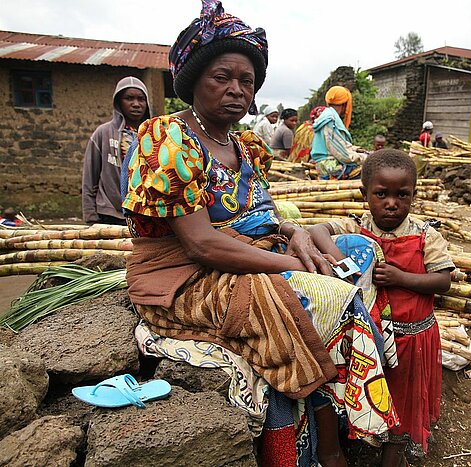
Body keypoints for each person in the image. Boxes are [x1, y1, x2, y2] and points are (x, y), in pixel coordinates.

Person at [121, 2, 397, 465]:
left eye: (246, 81)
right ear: (192, 81)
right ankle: (327, 446)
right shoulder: (167, 141)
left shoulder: (242, 146)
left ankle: (342, 416)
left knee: (358, 250)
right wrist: (292, 262)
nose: (236, 90)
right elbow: (201, 243)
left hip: (254, 250)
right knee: (323, 293)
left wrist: (297, 232)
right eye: (222, 77)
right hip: (189, 274)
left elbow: (265, 212)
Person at [309, 149, 454, 464]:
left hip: (411, 338)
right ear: (365, 194)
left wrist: (400, 277)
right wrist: (342, 259)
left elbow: (443, 281)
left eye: (402, 195)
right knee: (376, 390)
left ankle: (392, 457)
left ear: (413, 195)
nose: (392, 203)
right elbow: (317, 230)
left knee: (403, 399)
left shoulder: (424, 235)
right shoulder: (356, 226)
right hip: (371, 339)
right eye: (381, 194)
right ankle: (365, 440)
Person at [82, 76, 150, 225]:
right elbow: (89, 178)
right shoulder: (103, 133)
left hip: (143, 215)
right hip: (109, 213)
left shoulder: (151, 136)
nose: (136, 104)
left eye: (141, 99)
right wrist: (90, 216)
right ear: (119, 102)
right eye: (129, 98)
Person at [310, 86, 367, 180]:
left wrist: (355, 149)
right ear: (344, 104)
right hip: (330, 166)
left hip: (323, 164)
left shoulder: (326, 116)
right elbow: (342, 154)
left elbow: (338, 144)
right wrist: (365, 158)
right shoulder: (330, 121)